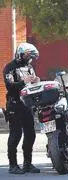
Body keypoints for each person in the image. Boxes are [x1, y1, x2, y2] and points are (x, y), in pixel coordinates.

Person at [3, 42, 41, 174]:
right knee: (16, 134)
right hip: (14, 104)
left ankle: (27, 163)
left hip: (27, 105)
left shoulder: (29, 67)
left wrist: (36, 82)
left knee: (30, 134)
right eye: (28, 55)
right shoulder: (10, 67)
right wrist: (24, 82)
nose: (29, 58)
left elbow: (32, 86)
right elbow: (9, 86)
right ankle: (13, 165)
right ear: (20, 54)